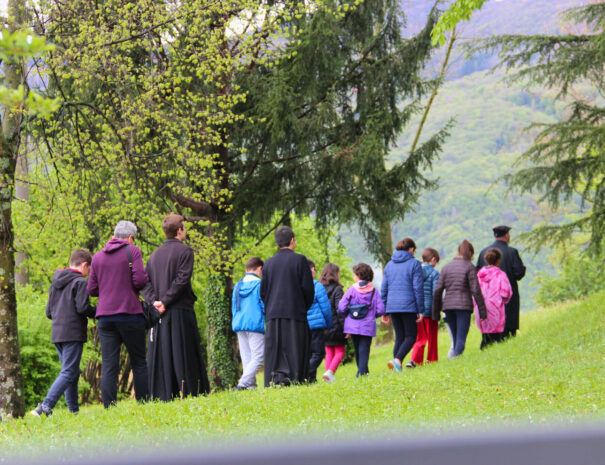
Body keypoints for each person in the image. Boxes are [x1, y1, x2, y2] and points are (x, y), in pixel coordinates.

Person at [143, 214, 209, 401]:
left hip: (160, 312)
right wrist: (164, 301)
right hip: (179, 310)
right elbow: (182, 279)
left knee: (163, 353)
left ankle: (163, 394)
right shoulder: (185, 252)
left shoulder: (154, 256)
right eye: (184, 227)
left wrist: (154, 301)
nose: (185, 230)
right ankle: (190, 391)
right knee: (183, 352)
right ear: (179, 230)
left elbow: (144, 282)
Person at [88, 221, 151, 408]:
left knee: (109, 365)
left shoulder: (98, 257)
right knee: (139, 362)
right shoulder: (133, 251)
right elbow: (140, 280)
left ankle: (109, 406)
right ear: (130, 238)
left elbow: (91, 289)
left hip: (105, 317)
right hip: (130, 313)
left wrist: (109, 289)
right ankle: (144, 403)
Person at [31, 249, 96, 417]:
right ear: (84, 265)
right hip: (73, 333)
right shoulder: (80, 282)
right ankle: (45, 406)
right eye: (89, 269)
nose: (88, 273)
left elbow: (48, 312)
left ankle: (73, 411)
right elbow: (83, 308)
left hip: (58, 333)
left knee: (70, 372)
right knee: (68, 372)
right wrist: (98, 312)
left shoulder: (56, 282)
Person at [260, 226, 315, 387]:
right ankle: (295, 377)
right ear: (292, 241)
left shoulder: (268, 264)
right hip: (295, 310)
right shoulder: (300, 260)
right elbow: (308, 289)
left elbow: (263, 291)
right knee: (295, 347)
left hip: (273, 312)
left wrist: (270, 305)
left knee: (275, 350)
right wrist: (303, 306)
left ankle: (275, 378)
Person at [432, 240, 487, 357]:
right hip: (463, 307)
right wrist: (482, 312)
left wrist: (436, 313)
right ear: (470, 253)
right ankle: (456, 362)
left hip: (448, 307)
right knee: (461, 339)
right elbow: (476, 290)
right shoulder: (469, 267)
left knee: (456, 337)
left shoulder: (446, 267)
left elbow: (437, 291)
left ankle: (454, 361)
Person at [380, 238, 424, 371]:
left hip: (393, 305)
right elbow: (418, 288)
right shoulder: (414, 264)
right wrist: (420, 310)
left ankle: (396, 366)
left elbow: (384, 288)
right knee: (411, 336)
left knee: (399, 336)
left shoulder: (389, 265)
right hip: (408, 305)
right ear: (411, 249)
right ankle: (397, 360)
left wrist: (385, 310)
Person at [476, 225, 526, 339]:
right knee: (508, 331)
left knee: (489, 334)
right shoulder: (512, 252)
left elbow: (477, 273)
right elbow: (519, 273)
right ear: (507, 235)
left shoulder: (484, 252)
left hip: (487, 299)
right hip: (507, 299)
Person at [338, 263, 385, 377]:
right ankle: (363, 373)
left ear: (358, 275)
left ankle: (362, 373)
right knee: (364, 349)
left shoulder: (351, 290)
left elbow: (341, 307)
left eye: (355, 275)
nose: (354, 277)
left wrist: (348, 315)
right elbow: (381, 309)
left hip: (352, 325)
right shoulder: (374, 291)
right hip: (367, 325)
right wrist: (372, 316)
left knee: (358, 348)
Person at [232, 256, 265, 390]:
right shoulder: (260, 284)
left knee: (246, 357)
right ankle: (242, 383)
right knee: (258, 356)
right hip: (255, 323)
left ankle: (251, 387)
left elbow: (234, 306)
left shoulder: (238, 285)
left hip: (240, 323)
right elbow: (263, 305)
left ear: (247, 269)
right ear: (260, 268)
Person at [475, 248, 512, 350]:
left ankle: (483, 354)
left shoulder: (479, 275)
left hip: (481, 309)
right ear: (498, 260)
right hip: (496, 309)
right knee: (497, 339)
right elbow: (506, 293)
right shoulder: (500, 275)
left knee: (485, 337)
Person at [409, 248, 440, 366]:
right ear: (433, 259)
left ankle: (416, 360)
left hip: (417, 309)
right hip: (430, 310)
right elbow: (435, 293)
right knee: (432, 336)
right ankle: (432, 359)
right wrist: (437, 310)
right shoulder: (434, 273)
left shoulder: (415, 272)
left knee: (420, 337)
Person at [306, 259, 332, 383]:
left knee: (308, 353)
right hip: (316, 325)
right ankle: (308, 373)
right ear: (312, 270)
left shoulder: (296, 286)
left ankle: (311, 379)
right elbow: (325, 308)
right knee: (318, 353)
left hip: (302, 326)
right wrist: (328, 324)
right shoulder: (317, 286)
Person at [320, 263, 345, 383]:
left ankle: (327, 376)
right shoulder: (337, 289)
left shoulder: (320, 288)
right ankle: (330, 372)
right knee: (340, 351)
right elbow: (340, 309)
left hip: (324, 325)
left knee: (329, 351)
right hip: (336, 325)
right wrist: (345, 327)